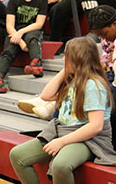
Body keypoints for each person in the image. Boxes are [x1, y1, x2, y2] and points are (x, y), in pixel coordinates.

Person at [10, 37, 116, 184]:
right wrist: (65, 70)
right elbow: (46, 96)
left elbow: (95, 126)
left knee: (61, 165)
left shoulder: (93, 85)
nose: (64, 59)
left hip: (89, 140)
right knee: (17, 155)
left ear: (79, 58)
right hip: (64, 131)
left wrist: (61, 142)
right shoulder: (71, 79)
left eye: (68, 56)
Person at [0, 0, 47, 93]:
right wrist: (20, 41)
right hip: (15, 31)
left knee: (32, 38)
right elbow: (9, 25)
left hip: (32, 29)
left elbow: (39, 24)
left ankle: (36, 64)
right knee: (9, 50)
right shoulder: (14, 1)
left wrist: (20, 33)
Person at [88, 5, 116, 150]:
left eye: (104, 33)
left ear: (114, 24)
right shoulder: (110, 40)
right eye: (100, 36)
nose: (103, 38)